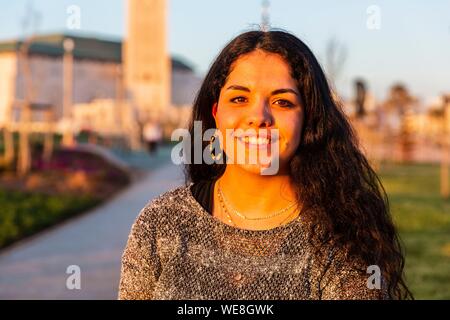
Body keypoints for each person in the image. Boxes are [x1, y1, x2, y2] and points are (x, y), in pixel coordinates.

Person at [118, 30, 412, 300]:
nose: (259, 116)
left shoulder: (340, 238)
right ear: (216, 114)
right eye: (239, 98)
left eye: (283, 102)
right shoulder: (161, 222)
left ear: (308, 120)